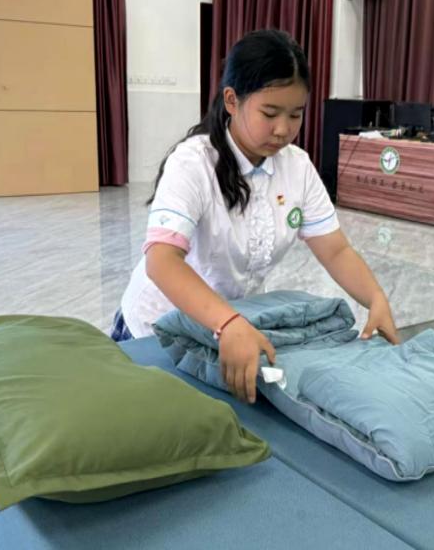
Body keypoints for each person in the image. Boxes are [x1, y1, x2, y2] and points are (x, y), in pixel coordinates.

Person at [114, 29, 399, 404]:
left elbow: (335, 250)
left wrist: (375, 298)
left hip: (232, 329)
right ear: (232, 100)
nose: (283, 129)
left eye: (296, 114)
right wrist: (228, 322)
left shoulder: (297, 167)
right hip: (158, 329)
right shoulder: (194, 162)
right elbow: (162, 262)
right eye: (270, 113)